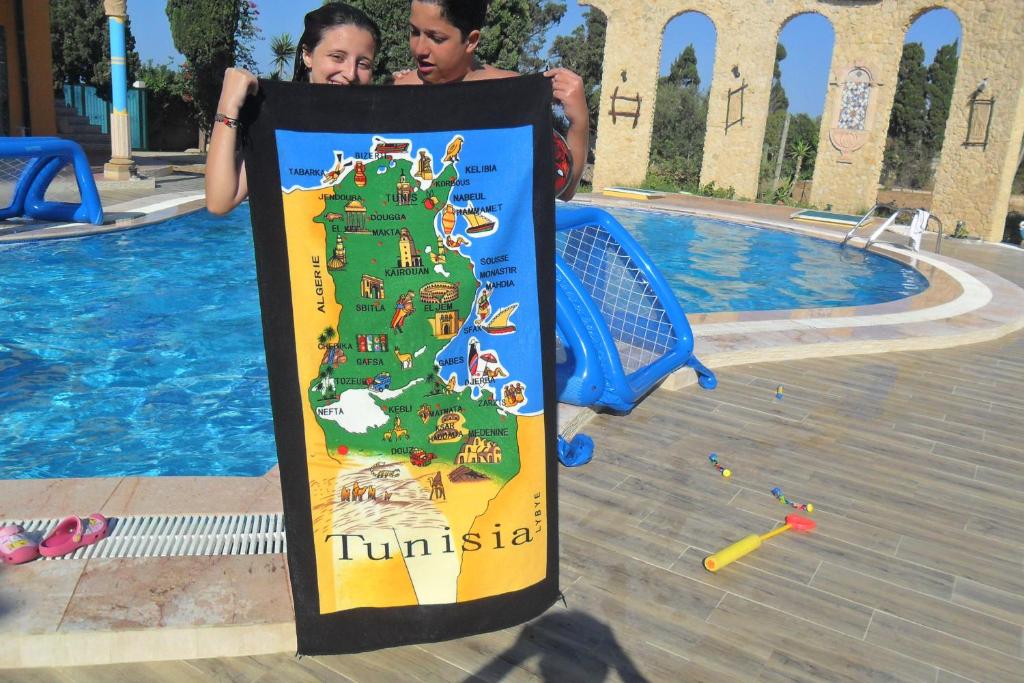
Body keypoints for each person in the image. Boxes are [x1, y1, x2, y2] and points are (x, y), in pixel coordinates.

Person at [393, 0, 589, 200]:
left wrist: (579, 122)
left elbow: (562, 190)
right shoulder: (400, 89)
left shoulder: (514, 95)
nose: (419, 49)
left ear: (471, 41)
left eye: (436, 38)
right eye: (414, 32)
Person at [205, 3, 381, 215]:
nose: (350, 73)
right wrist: (228, 104)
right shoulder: (280, 121)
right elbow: (220, 202)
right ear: (308, 55)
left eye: (363, 64)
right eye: (337, 57)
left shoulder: (383, 126)